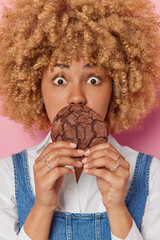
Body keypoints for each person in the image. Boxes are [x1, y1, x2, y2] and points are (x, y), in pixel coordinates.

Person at [0, 0, 160, 239]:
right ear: (36, 87)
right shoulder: (8, 175)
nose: (76, 98)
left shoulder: (150, 174)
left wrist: (117, 208)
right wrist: (42, 207)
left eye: (93, 79)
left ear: (116, 86)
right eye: (60, 80)